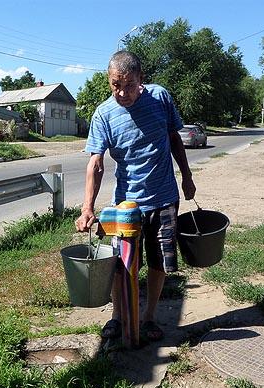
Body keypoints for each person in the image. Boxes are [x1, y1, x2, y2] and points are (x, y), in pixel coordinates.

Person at [75, 51, 196, 342]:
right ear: (109, 81)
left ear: (141, 79)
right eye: (115, 85)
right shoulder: (104, 114)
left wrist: (187, 176)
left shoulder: (160, 97)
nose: (122, 92)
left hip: (165, 196)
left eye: (128, 85)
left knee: (158, 261)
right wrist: (87, 207)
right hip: (126, 204)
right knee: (122, 264)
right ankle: (118, 316)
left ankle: (149, 316)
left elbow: (174, 138)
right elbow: (96, 163)